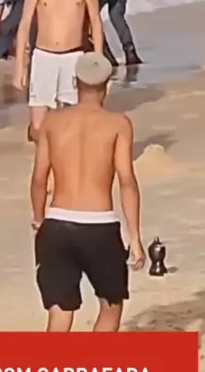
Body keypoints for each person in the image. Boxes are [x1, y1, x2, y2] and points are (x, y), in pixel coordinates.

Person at [31, 52, 145, 333]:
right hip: (99, 227)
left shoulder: (52, 122)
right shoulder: (118, 124)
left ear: (74, 83)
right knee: (111, 304)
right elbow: (127, 181)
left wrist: (39, 219)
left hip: (57, 224)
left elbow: (39, 179)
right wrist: (135, 237)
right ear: (108, 86)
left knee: (60, 311)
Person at [14, 0, 103, 142]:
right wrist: (20, 67)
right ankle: (42, 153)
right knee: (38, 126)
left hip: (74, 57)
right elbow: (24, 25)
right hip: (43, 57)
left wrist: (98, 61)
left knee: (71, 121)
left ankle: (62, 157)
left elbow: (96, 23)